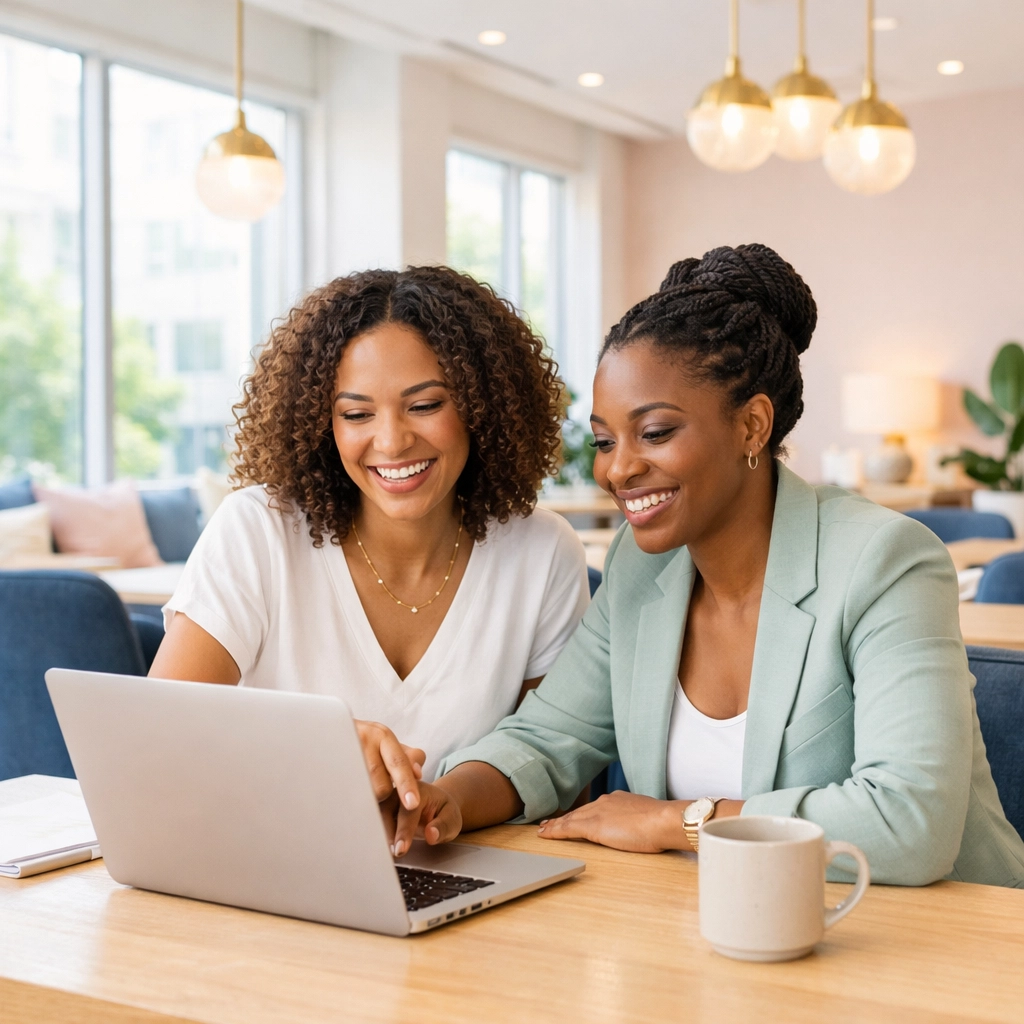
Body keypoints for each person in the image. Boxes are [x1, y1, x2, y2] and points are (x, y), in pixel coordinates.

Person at [386, 243, 1024, 887]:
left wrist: (680, 822)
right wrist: (442, 801)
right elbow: (547, 738)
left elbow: (910, 825)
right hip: (729, 921)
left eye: (655, 433)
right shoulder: (641, 568)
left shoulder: (884, 561)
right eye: (604, 441)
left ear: (752, 426)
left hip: (931, 931)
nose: (618, 468)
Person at [151, 266, 590, 836]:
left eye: (425, 405)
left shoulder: (542, 551)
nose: (391, 441)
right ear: (322, 424)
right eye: (356, 414)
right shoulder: (258, 530)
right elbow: (157, 739)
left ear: (482, 406)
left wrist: (444, 803)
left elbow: (555, 767)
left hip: (461, 865)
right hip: (275, 859)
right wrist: (314, 745)